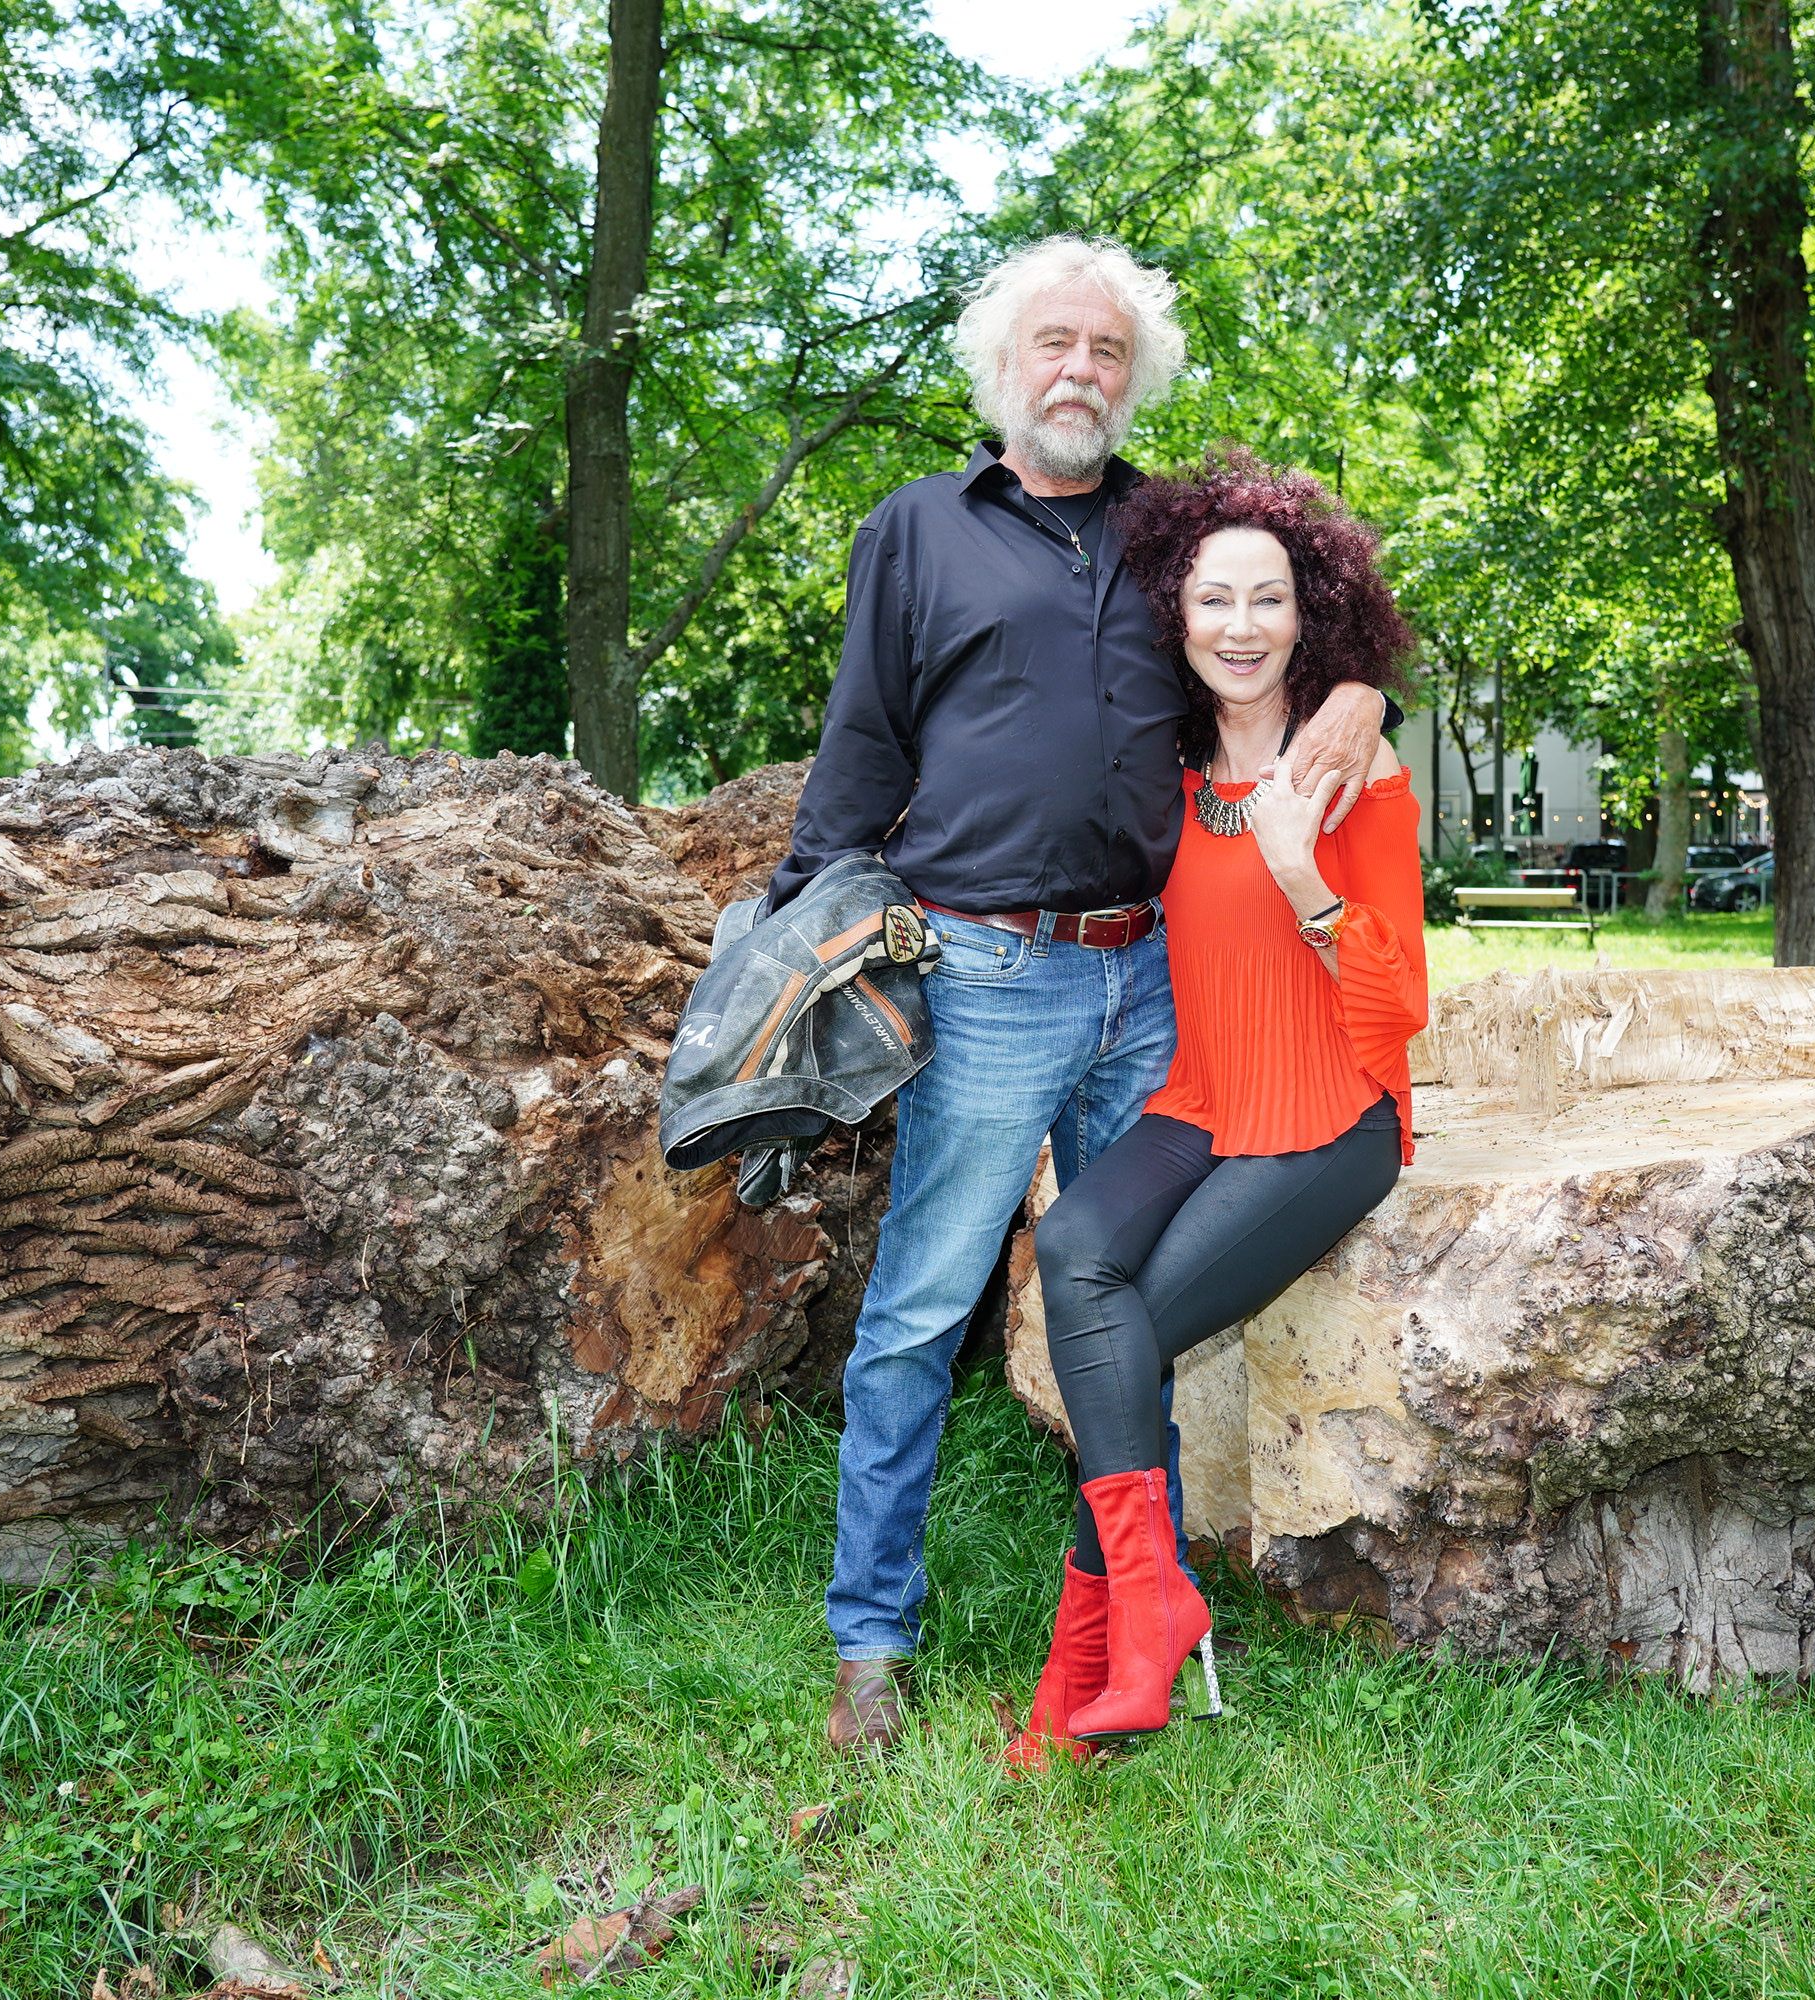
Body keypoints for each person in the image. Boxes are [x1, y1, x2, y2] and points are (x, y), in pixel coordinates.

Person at [767, 239, 1392, 1754]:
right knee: (922, 1307)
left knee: (1126, 1303)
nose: (1080, 374)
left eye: (1108, 352)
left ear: (1135, 377)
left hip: (1156, 976)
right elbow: (861, 749)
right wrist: (792, 942)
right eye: (1054, 345)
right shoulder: (917, 532)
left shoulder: (1176, 534)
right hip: (986, 977)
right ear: (1000, 366)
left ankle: (1135, 1625)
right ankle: (871, 1641)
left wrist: (1373, 688)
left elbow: (1292, 629)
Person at [1007, 450, 1427, 1765]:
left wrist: (1306, 881)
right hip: (1203, 1101)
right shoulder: (1168, 773)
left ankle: (1089, 1671)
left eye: (1269, 601)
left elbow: (1399, 1003)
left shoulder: (1356, 774)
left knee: (1114, 1332)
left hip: (1330, 1116)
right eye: (1212, 603)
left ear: (1312, 616)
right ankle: (1148, 1603)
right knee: (1076, 1253)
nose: (1240, 629)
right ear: (1174, 622)